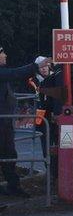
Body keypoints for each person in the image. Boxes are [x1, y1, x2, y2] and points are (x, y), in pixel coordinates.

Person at [0, 47, 49, 197]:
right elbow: (15, 73)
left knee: (8, 153)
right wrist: (36, 66)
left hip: (5, 122)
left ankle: (13, 186)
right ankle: (12, 186)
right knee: (6, 153)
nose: (5, 55)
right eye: (1, 52)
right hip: (2, 122)